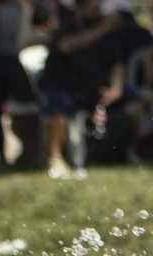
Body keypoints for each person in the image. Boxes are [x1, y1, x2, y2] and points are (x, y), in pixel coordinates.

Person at [37, 0, 123, 177]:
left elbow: (117, 63)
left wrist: (116, 88)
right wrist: (103, 28)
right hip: (61, 87)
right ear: (80, 8)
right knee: (60, 106)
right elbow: (66, 46)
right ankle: (56, 158)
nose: (97, 9)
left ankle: (124, 155)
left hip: (93, 89)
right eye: (93, 6)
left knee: (135, 105)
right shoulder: (65, 26)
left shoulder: (105, 31)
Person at [0, 0, 36, 170]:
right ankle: (2, 156)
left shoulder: (17, 9)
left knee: (26, 107)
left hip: (7, 62)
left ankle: (29, 152)